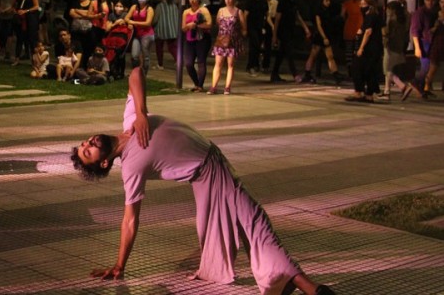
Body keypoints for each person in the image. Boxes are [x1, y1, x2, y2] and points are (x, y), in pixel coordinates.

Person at [70, 66, 336, 295]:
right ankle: (304, 286)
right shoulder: (131, 168)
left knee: (250, 222)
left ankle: (302, 285)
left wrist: (141, 113)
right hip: (205, 176)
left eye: (85, 143)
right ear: (103, 163)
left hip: (212, 167)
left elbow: (136, 73)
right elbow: (129, 220)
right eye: (88, 152)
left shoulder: (130, 120)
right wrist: (120, 265)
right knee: (241, 225)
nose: (89, 142)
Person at [207, 0, 246, 95]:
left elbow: (244, 27)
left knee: (230, 64)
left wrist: (239, 36)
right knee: (218, 63)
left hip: (232, 41)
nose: (228, 0)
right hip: (221, 40)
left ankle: (227, 87)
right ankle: (213, 86)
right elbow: (218, 23)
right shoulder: (221, 10)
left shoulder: (238, 12)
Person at [345, 0, 383, 103]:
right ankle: (369, 94)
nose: (361, 7)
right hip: (375, 49)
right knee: (370, 70)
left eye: (363, 4)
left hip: (369, 48)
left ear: (370, 5)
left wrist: (361, 48)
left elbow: (368, 32)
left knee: (357, 67)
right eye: (360, 4)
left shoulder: (370, 16)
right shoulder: (375, 15)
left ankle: (359, 92)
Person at [271, 0, 310, 83]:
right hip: (283, 30)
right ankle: (295, 74)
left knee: (281, 53)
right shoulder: (283, 2)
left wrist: (305, 28)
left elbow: (297, 15)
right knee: (289, 52)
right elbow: (277, 19)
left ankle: (274, 74)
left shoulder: (295, 1)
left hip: (290, 30)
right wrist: (274, 35)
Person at [301, 0, 344, 86]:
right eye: (326, 0)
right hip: (319, 36)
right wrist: (324, 37)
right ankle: (307, 73)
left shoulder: (328, 11)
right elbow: (319, 25)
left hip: (326, 35)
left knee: (330, 56)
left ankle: (335, 74)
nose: (328, 2)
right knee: (313, 55)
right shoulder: (318, 12)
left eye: (329, 0)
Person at [181, 0, 213, 92]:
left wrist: (197, 25)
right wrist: (188, 26)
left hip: (202, 39)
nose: (192, 0)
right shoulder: (186, 12)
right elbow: (183, 28)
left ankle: (200, 85)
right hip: (190, 39)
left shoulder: (203, 10)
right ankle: (196, 83)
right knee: (189, 63)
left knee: (201, 62)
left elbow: (209, 24)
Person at [381, 0, 412, 100]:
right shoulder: (404, 19)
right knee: (390, 68)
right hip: (399, 46)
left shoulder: (392, 20)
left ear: (392, 10)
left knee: (387, 70)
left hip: (390, 46)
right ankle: (386, 91)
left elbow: (386, 32)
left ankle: (402, 86)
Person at [410, 0, 437, 95]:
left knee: (429, 65)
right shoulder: (420, 13)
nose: (430, 2)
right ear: (424, 1)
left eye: (432, 0)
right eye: (427, 0)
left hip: (429, 41)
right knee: (425, 65)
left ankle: (423, 86)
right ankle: (416, 82)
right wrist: (417, 47)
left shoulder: (432, 12)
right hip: (423, 41)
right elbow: (415, 31)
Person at [124, 0, 155, 75]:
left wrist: (133, 22)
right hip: (137, 34)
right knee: (134, 55)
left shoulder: (149, 9)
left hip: (147, 34)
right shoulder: (134, 7)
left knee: (145, 56)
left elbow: (148, 23)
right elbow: (126, 18)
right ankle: (136, 72)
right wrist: (129, 22)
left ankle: (144, 74)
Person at [14, 0, 41, 65]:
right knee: (20, 38)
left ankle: (34, 60)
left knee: (32, 39)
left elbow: (36, 6)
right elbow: (14, 4)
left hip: (30, 18)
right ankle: (17, 58)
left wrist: (26, 11)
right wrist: (16, 11)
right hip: (21, 19)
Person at [243, 0, 268, 76]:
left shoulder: (263, 2)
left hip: (260, 27)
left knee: (258, 47)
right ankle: (250, 66)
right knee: (254, 46)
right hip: (251, 27)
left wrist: (264, 26)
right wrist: (245, 28)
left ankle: (255, 65)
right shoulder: (251, 2)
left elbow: (265, 15)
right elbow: (245, 15)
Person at [153, 0, 179, 70]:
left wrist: (152, 25)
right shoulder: (174, 6)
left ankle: (160, 65)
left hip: (161, 31)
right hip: (172, 30)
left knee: (159, 48)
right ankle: (178, 60)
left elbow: (156, 19)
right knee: (172, 47)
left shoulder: (159, 6)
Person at [423, 0, 444, 97]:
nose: (443, 5)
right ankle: (426, 87)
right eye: (441, 2)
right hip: (438, 41)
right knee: (433, 66)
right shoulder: (435, 14)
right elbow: (429, 29)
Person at [341, 0, 362, 78]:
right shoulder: (361, 3)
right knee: (357, 49)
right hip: (359, 27)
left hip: (349, 26)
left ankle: (349, 68)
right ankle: (357, 68)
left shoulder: (346, 3)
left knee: (349, 50)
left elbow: (342, 15)